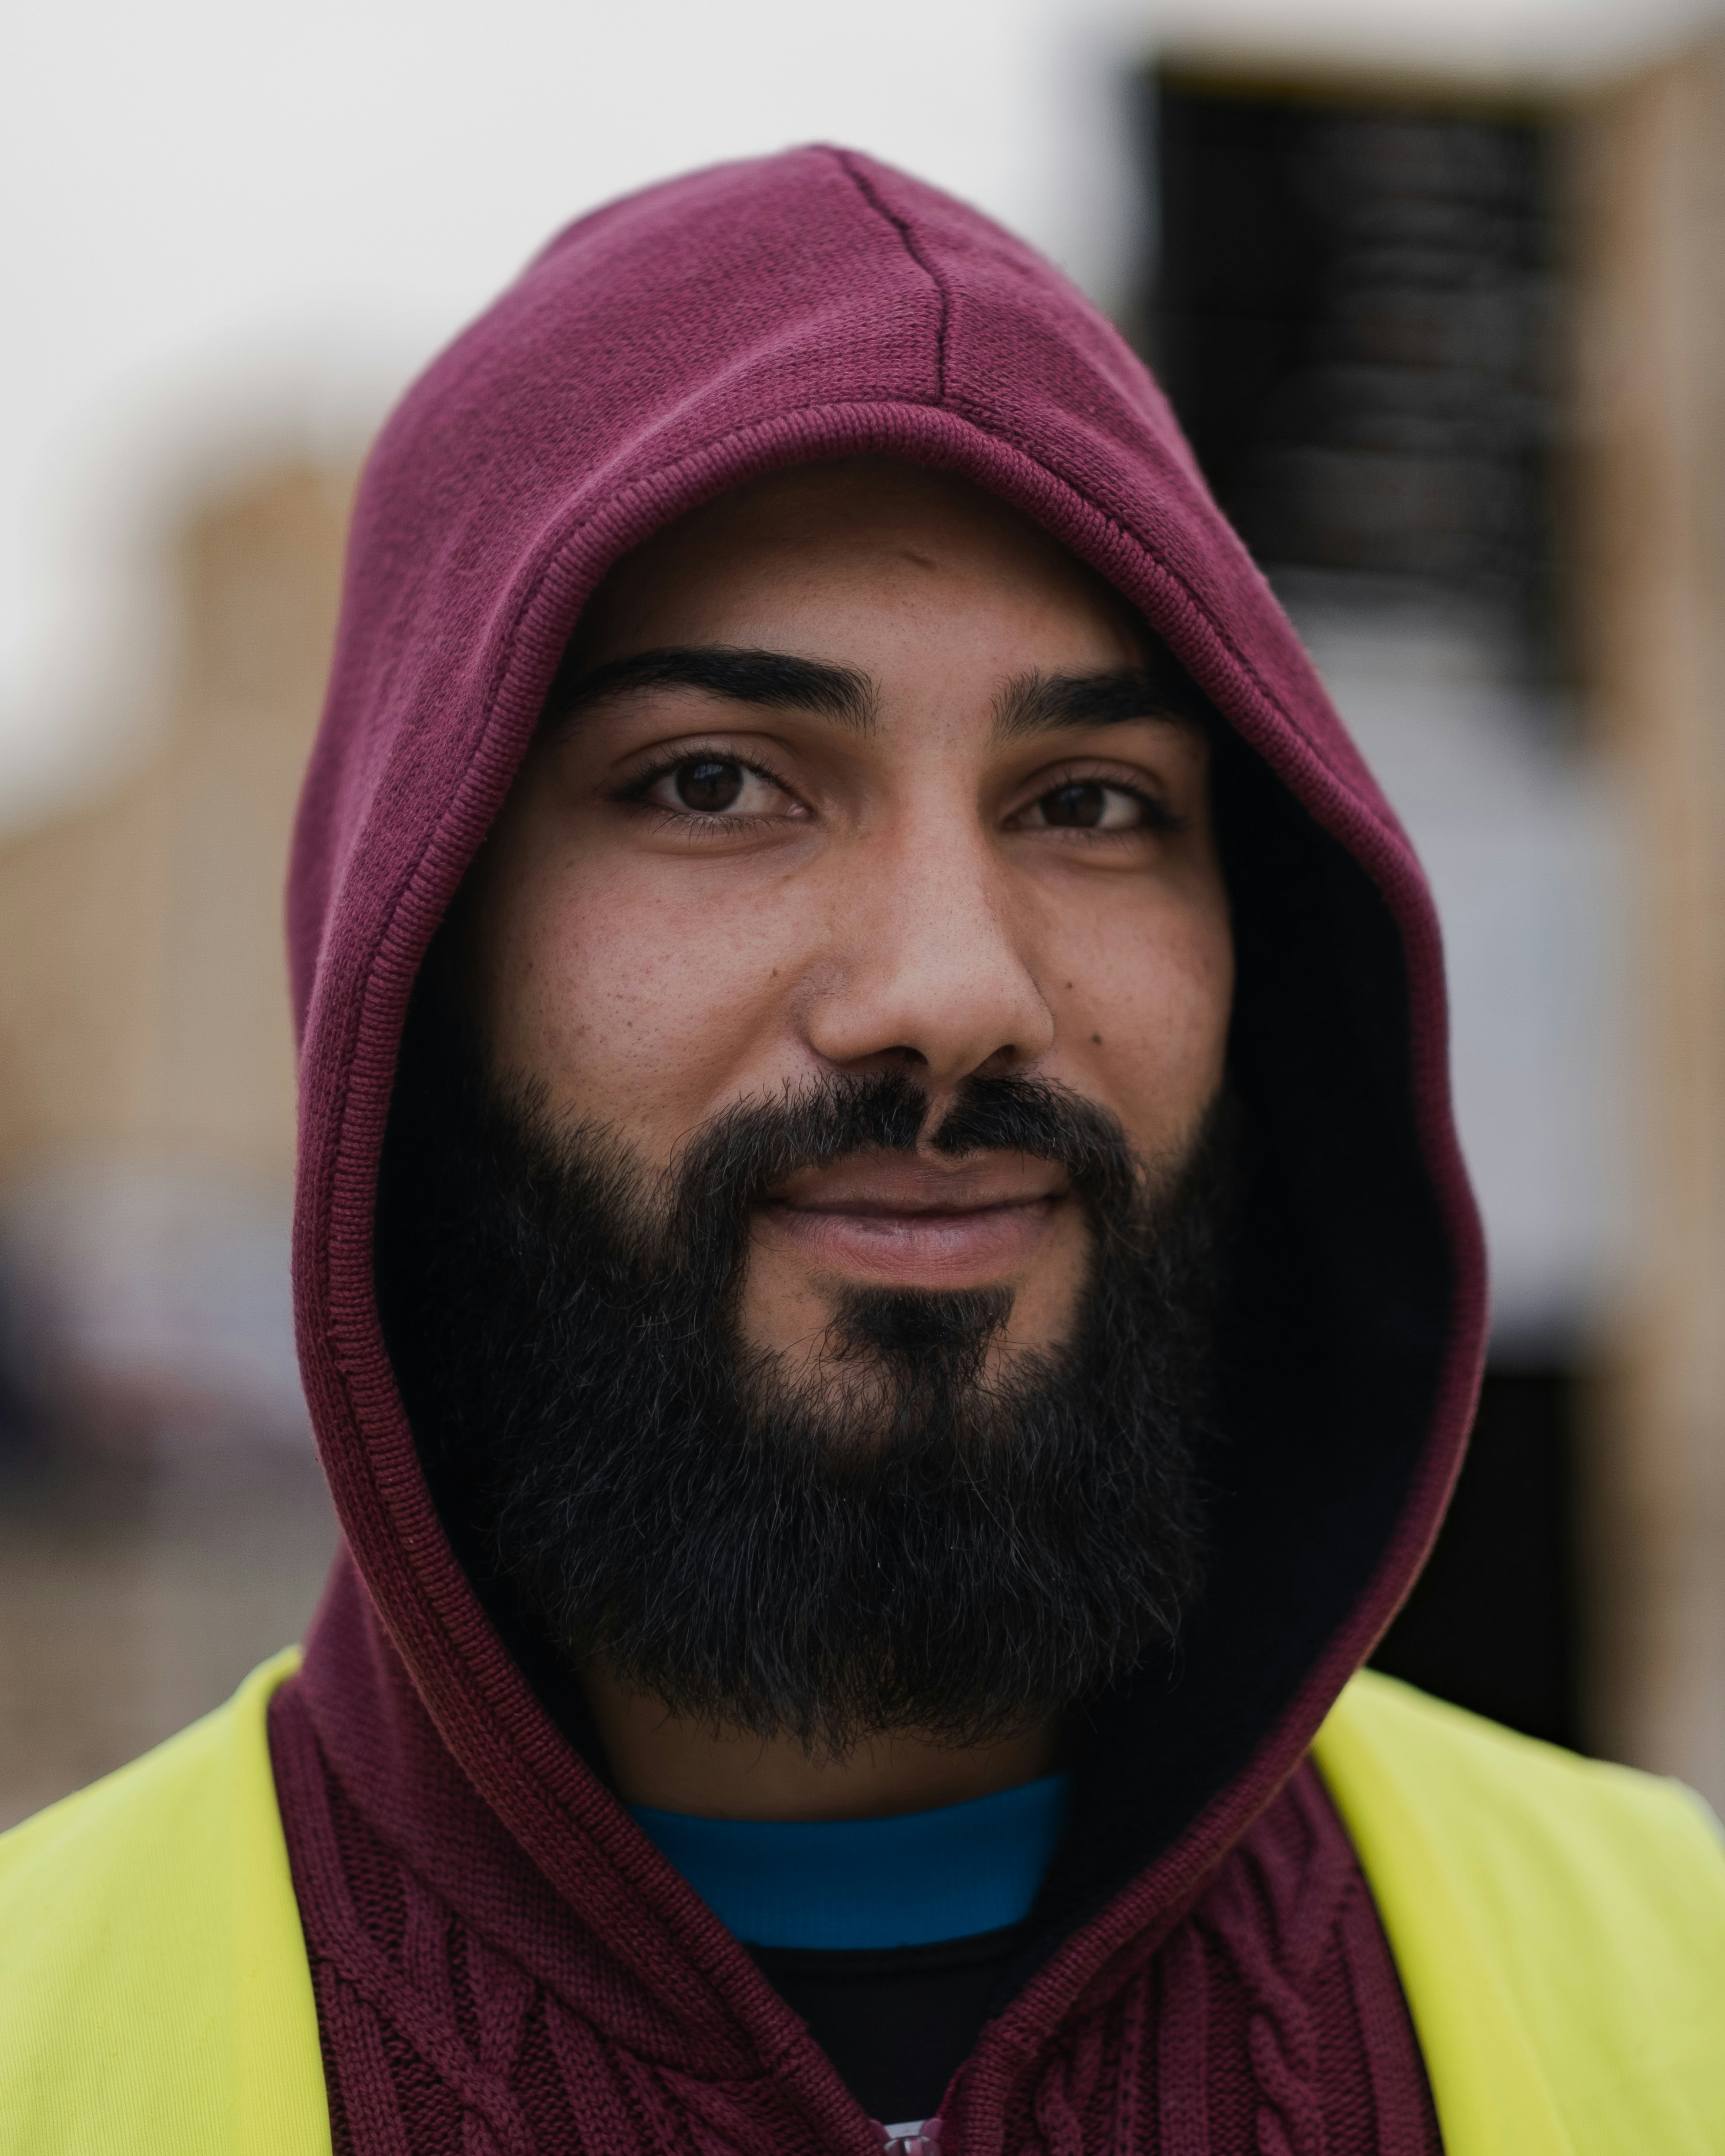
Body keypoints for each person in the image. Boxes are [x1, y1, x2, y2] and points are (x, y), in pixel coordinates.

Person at [2, 148, 1721, 2156]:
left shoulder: (1667, 1979)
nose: (949, 987)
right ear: (420, 951)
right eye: (714, 784)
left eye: (1088, 802)